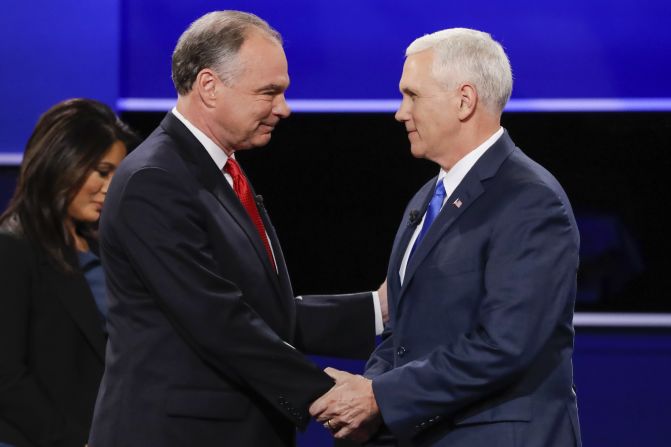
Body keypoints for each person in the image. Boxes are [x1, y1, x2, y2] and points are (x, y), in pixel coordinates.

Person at [88, 10, 385, 447]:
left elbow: (262, 311)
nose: (283, 109)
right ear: (209, 86)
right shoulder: (154, 180)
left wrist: (377, 309)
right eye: (270, 92)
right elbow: (219, 319)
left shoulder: (215, 171)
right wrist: (329, 397)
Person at [310, 28, 582, 447]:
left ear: (464, 100)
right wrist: (369, 393)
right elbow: (402, 333)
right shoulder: (427, 197)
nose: (400, 112)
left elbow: (505, 345)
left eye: (412, 95)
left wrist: (380, 397)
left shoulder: (530, 200)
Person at [0, 98, 136, 447]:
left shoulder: (103, 247)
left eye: (116, 175)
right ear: (62, 162)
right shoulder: (13, 247)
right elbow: (7, 376)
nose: (110, 188)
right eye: (102, 172)